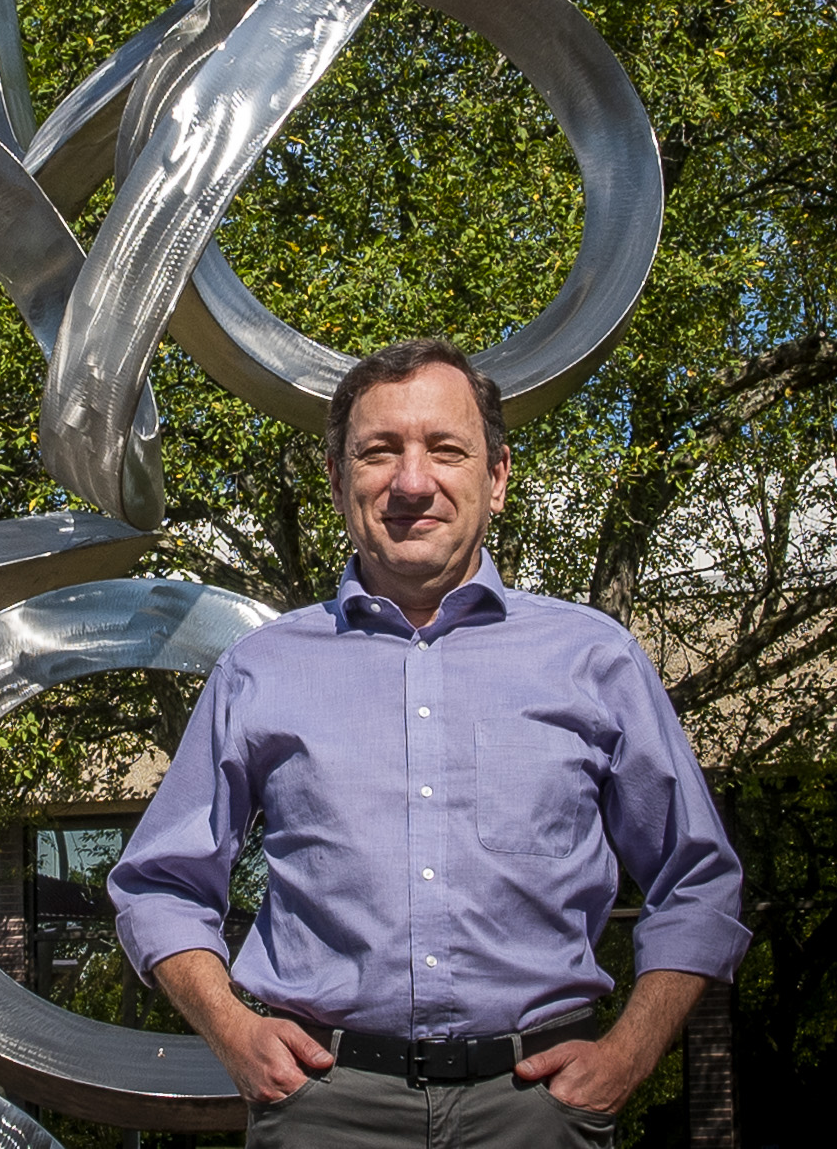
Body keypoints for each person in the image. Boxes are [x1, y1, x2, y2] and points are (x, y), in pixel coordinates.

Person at [107, 337, 746, 1147]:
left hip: (539, 1113)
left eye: (446, 449)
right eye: (380, 453)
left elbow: (699, 882)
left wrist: (629, 1052)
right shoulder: (259, 670)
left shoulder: (595, 659)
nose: (414, 481)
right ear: (340, 483)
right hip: (325, 1111)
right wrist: (234, 1031)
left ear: (498, 476)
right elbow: (158, 886)